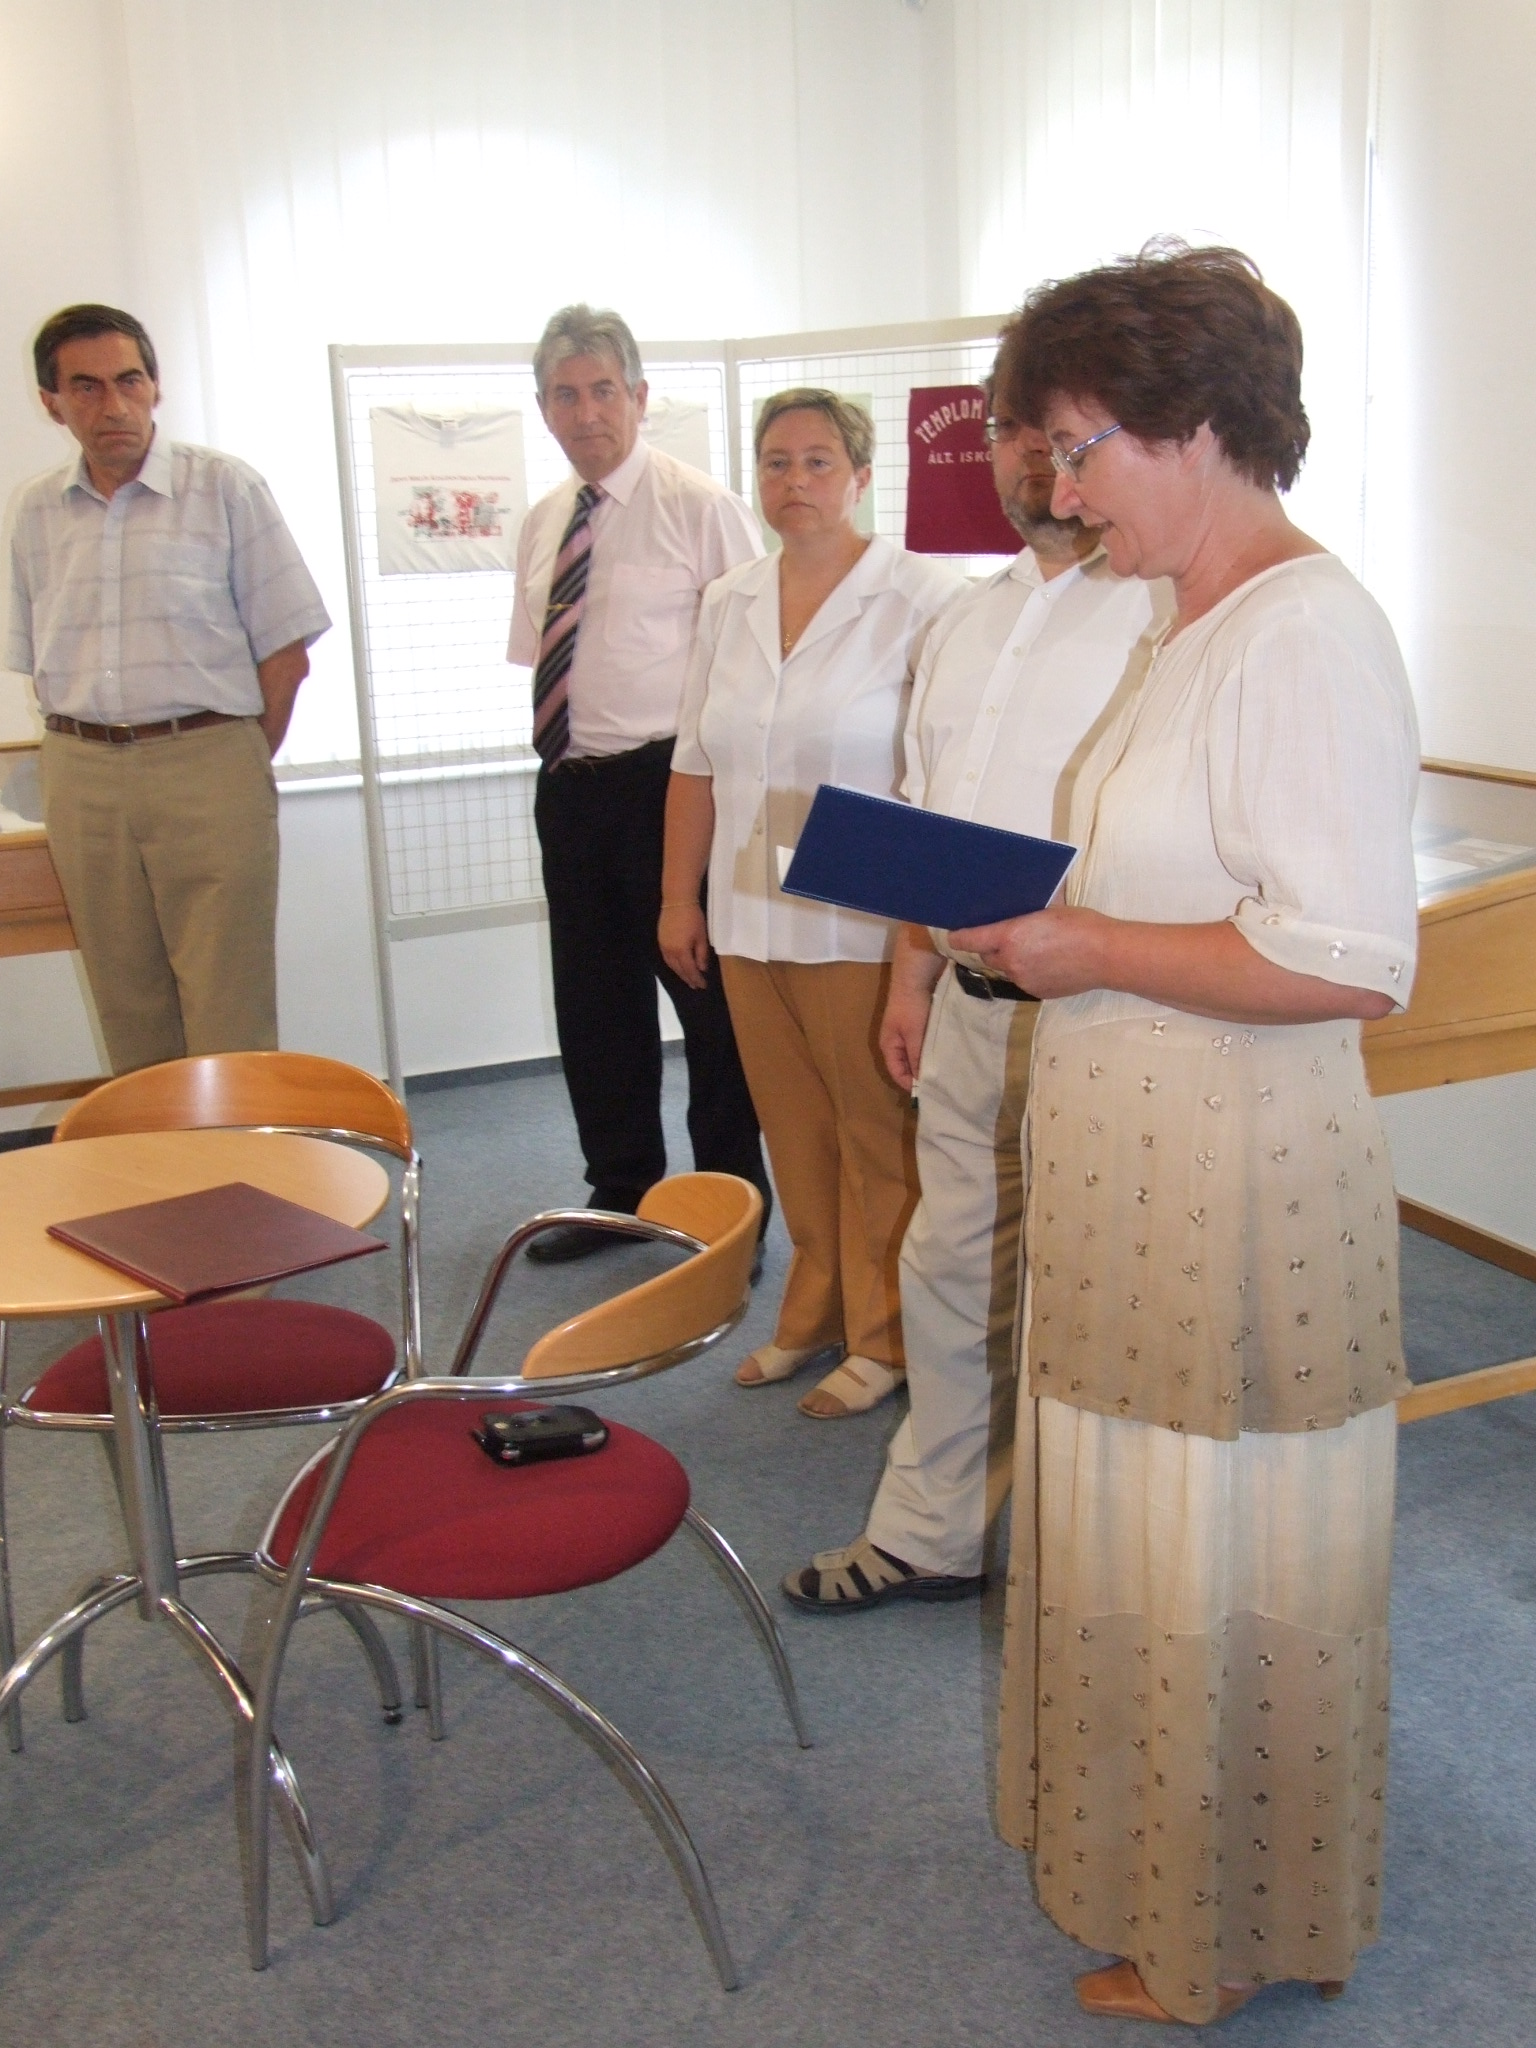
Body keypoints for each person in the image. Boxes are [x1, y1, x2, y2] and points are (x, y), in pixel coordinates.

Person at [961, 245, 1419, 2025]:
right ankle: (1168, 1888)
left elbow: (1347, 959)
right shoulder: (1190, 621)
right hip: (1140, 1162)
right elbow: (1182, 879)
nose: (1062, 494)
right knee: (1152, 1545)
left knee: (1219, 1556)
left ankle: (1222, 1931)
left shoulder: (1302, 634)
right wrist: (1041, 924)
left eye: (1082, 450)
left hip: (1229, 1178)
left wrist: (1082, 949)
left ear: (1201, 427)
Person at [783, 385, 1167, 1600]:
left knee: (1102, 1292)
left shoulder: (1166, 611)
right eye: (1007, 431)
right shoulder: (964, 621)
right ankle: (930, 1533)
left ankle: (1098, 1567)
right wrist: (910, 975)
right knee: (949, 1277)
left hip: (1107, 1016)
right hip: (966, 1004)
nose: (1031, 457)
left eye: (1058, 434)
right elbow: (927, 814)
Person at [662, 391, 961, 1416]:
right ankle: (814, 1311)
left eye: (820, 461)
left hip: (861, 916)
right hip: (749, 913)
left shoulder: (926, 597)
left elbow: (946, 774)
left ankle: (887, 1336)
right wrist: (678, 898)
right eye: (777, 462)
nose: (796, 481)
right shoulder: (730, 599)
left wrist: (925, 931)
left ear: (863, 477)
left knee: (875, 1133)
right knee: (793, 1131)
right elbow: (695, 760)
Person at [507, 305, 771, 1263]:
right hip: (570, 785)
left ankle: (730, 1208)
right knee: (594, 1003)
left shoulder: (701, 508)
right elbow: (543, 658)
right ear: (544, 408)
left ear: (640, 397)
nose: (586, 413)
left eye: (603, 391)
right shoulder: (545, 522)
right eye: (565, 396)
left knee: (709, 1004)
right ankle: (620, 1189)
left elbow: (754, 662)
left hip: (672, 786)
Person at [5, 304, 330, 1075]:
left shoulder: (224, 488)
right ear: (52, 402)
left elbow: (287, 652)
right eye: (86, 387)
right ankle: (155, 1154)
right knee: (128, 1005)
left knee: (227, 1006)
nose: (113, 405)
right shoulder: (36, 512)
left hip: (208, 761)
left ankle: (235, 1155)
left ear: (156, 387)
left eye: (129, 381)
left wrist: (233, 761)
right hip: (82, 769)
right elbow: (39, 659)